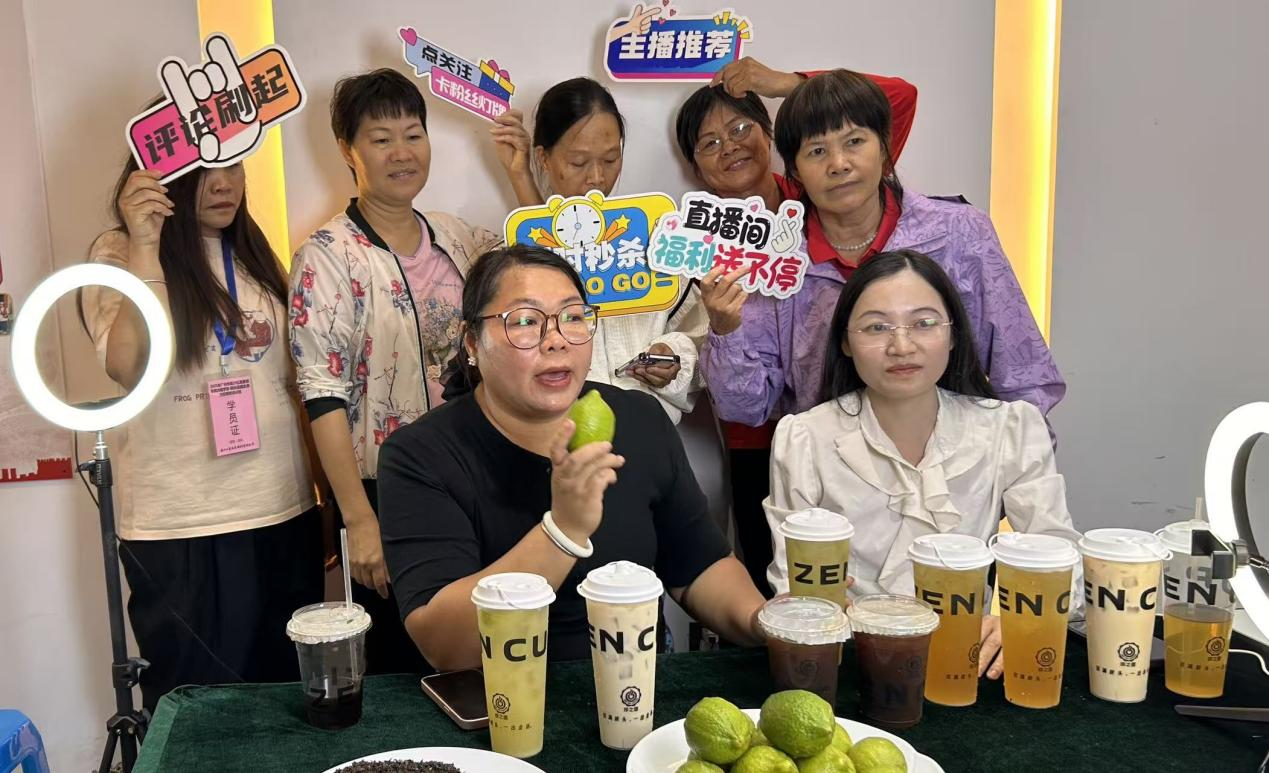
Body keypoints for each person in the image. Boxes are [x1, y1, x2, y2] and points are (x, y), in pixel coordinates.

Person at [376, 245, 766, 670]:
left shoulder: (638, 418)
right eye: (526, 322)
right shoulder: (419, 455)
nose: (557, 341)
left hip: (633, 687)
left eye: (574, 317)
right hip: (501, 696)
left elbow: (699, 567)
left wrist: (766, 624)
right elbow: (446, 646)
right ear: (472, 341)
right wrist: (563, 531)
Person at [764, 249, 1082, 680]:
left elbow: (1061, 559)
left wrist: (1021, 620)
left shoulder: (1010, 427)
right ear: (845, 342)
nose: (902, 346)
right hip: (850, 666)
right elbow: (792, 589)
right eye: (877, 327)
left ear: (953, 335)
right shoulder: (803, 437)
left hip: (967, 664)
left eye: (924, 323)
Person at [80, 159, 322, 711]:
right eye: (203, 171)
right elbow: (128, 367)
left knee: (287, 698)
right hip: (182, 523)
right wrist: (146, 245)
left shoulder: (255, 255)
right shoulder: (118, 253)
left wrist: (323, 497)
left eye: (232, 166)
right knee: (197, 706)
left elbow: (292, 386)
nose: (223, 184)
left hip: (282, 511)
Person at [700, 69, 1064, 433]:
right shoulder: (775, 259)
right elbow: (747, 406)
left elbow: (1025, 377)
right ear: (795, 169)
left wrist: (1020, 459)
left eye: (854, 141)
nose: (839, 164)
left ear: (884, 147)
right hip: (830, 461)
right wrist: (725, 329)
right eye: (817, 151)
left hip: (957, 457)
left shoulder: (959, 232)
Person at [673, 57, 918, 595]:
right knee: (780, 581)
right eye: (709, 143)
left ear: (772, 136)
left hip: (866, 415)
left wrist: (786, 85)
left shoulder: (827, 191)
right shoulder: (692, 239)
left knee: (883, 572)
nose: (729, 147)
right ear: (696, 168)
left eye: (741, 128)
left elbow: (898, 97)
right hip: (758, 434)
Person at [288, 68, 502, 673]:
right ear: (347, 151)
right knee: (402, 661)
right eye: (381, 139)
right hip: (388, 489)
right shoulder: (326, 257)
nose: (402, 153)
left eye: (413, 134)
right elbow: (321, 397)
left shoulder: (460, 240)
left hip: (475, 473)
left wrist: (519, 170)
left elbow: (535, 261)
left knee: (479, 645)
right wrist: (359, 520)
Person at [492, 77, 707, 424]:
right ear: (543, 158)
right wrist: (520, 177)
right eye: (578, 162)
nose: (597, 177)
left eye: (610, 159)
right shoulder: (509, 261)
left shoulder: (655, 240)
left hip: (648, 437)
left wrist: (674, 357)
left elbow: (701, 335)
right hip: (552, 443)